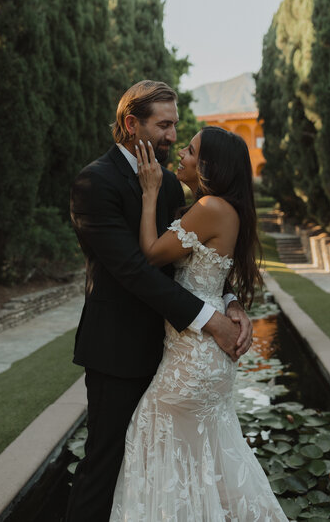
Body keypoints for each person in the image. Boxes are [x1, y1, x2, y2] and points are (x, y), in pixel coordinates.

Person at [66, 81, 253, 522]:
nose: (173, 136)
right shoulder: (95, 183)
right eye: (164, 125)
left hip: (175, 357)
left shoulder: (170, 184)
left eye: (175, 126)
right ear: (133, 125)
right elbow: (135, 271)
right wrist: (210, 320)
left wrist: (229, 301)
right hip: (119, 353)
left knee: (160, 473)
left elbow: (197, 258)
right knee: (104, 466)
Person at [109, 127, 287, 521]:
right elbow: (213, 278)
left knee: (150, 428)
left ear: (209, 166)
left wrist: (150, 192)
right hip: (200, 349)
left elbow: (153, 255)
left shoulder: (210, 207)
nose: (181, 155)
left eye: (190, 150)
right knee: (205, 457)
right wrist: (233, 302)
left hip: (197, 351)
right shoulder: (213, 208)